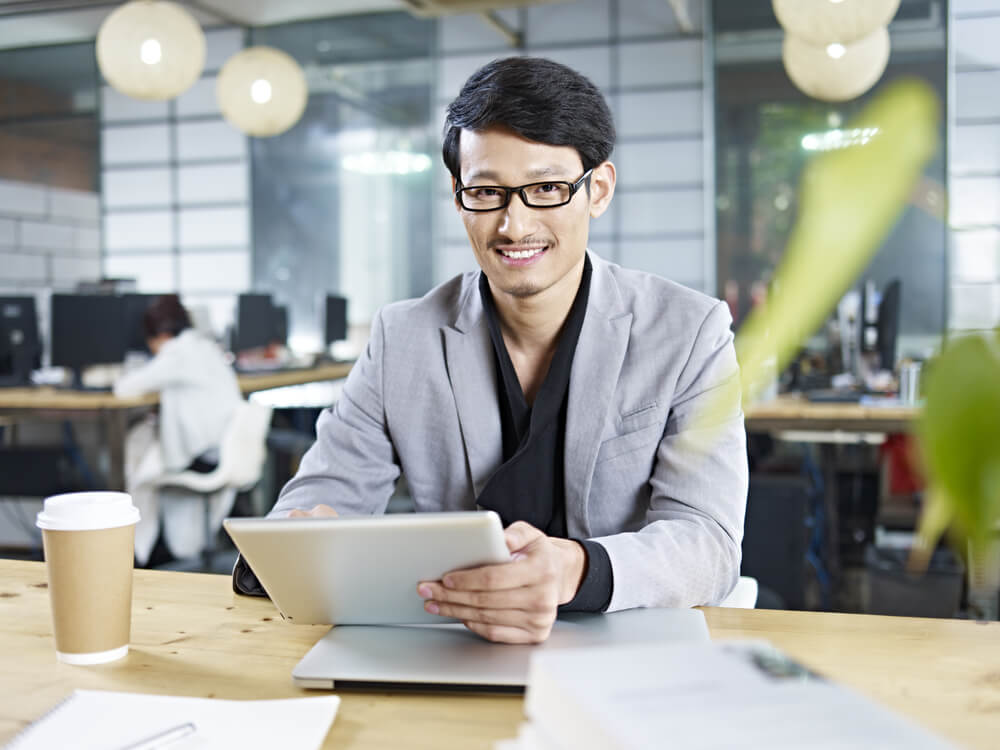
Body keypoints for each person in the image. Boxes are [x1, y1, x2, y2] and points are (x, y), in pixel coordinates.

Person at [235, 57, 748, 643]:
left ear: (597, 190)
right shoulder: (403, 338)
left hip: (625, 633)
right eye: (487, 191)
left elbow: (707, 538)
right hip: (451, 636)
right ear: (459, 197)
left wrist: (574, 570)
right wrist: (302, 535)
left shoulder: (689, 331)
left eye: (548, 188)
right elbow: (320, 494)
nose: (514, 224)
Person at [115, 294, 243, 566]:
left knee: (138, 456)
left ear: (159, 335)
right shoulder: (206, 347)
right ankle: (149, 545)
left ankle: (138, 550)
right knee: (145, 442)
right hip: (223, 449)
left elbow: (125, 387)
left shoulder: (177, 354)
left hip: (204, 457)